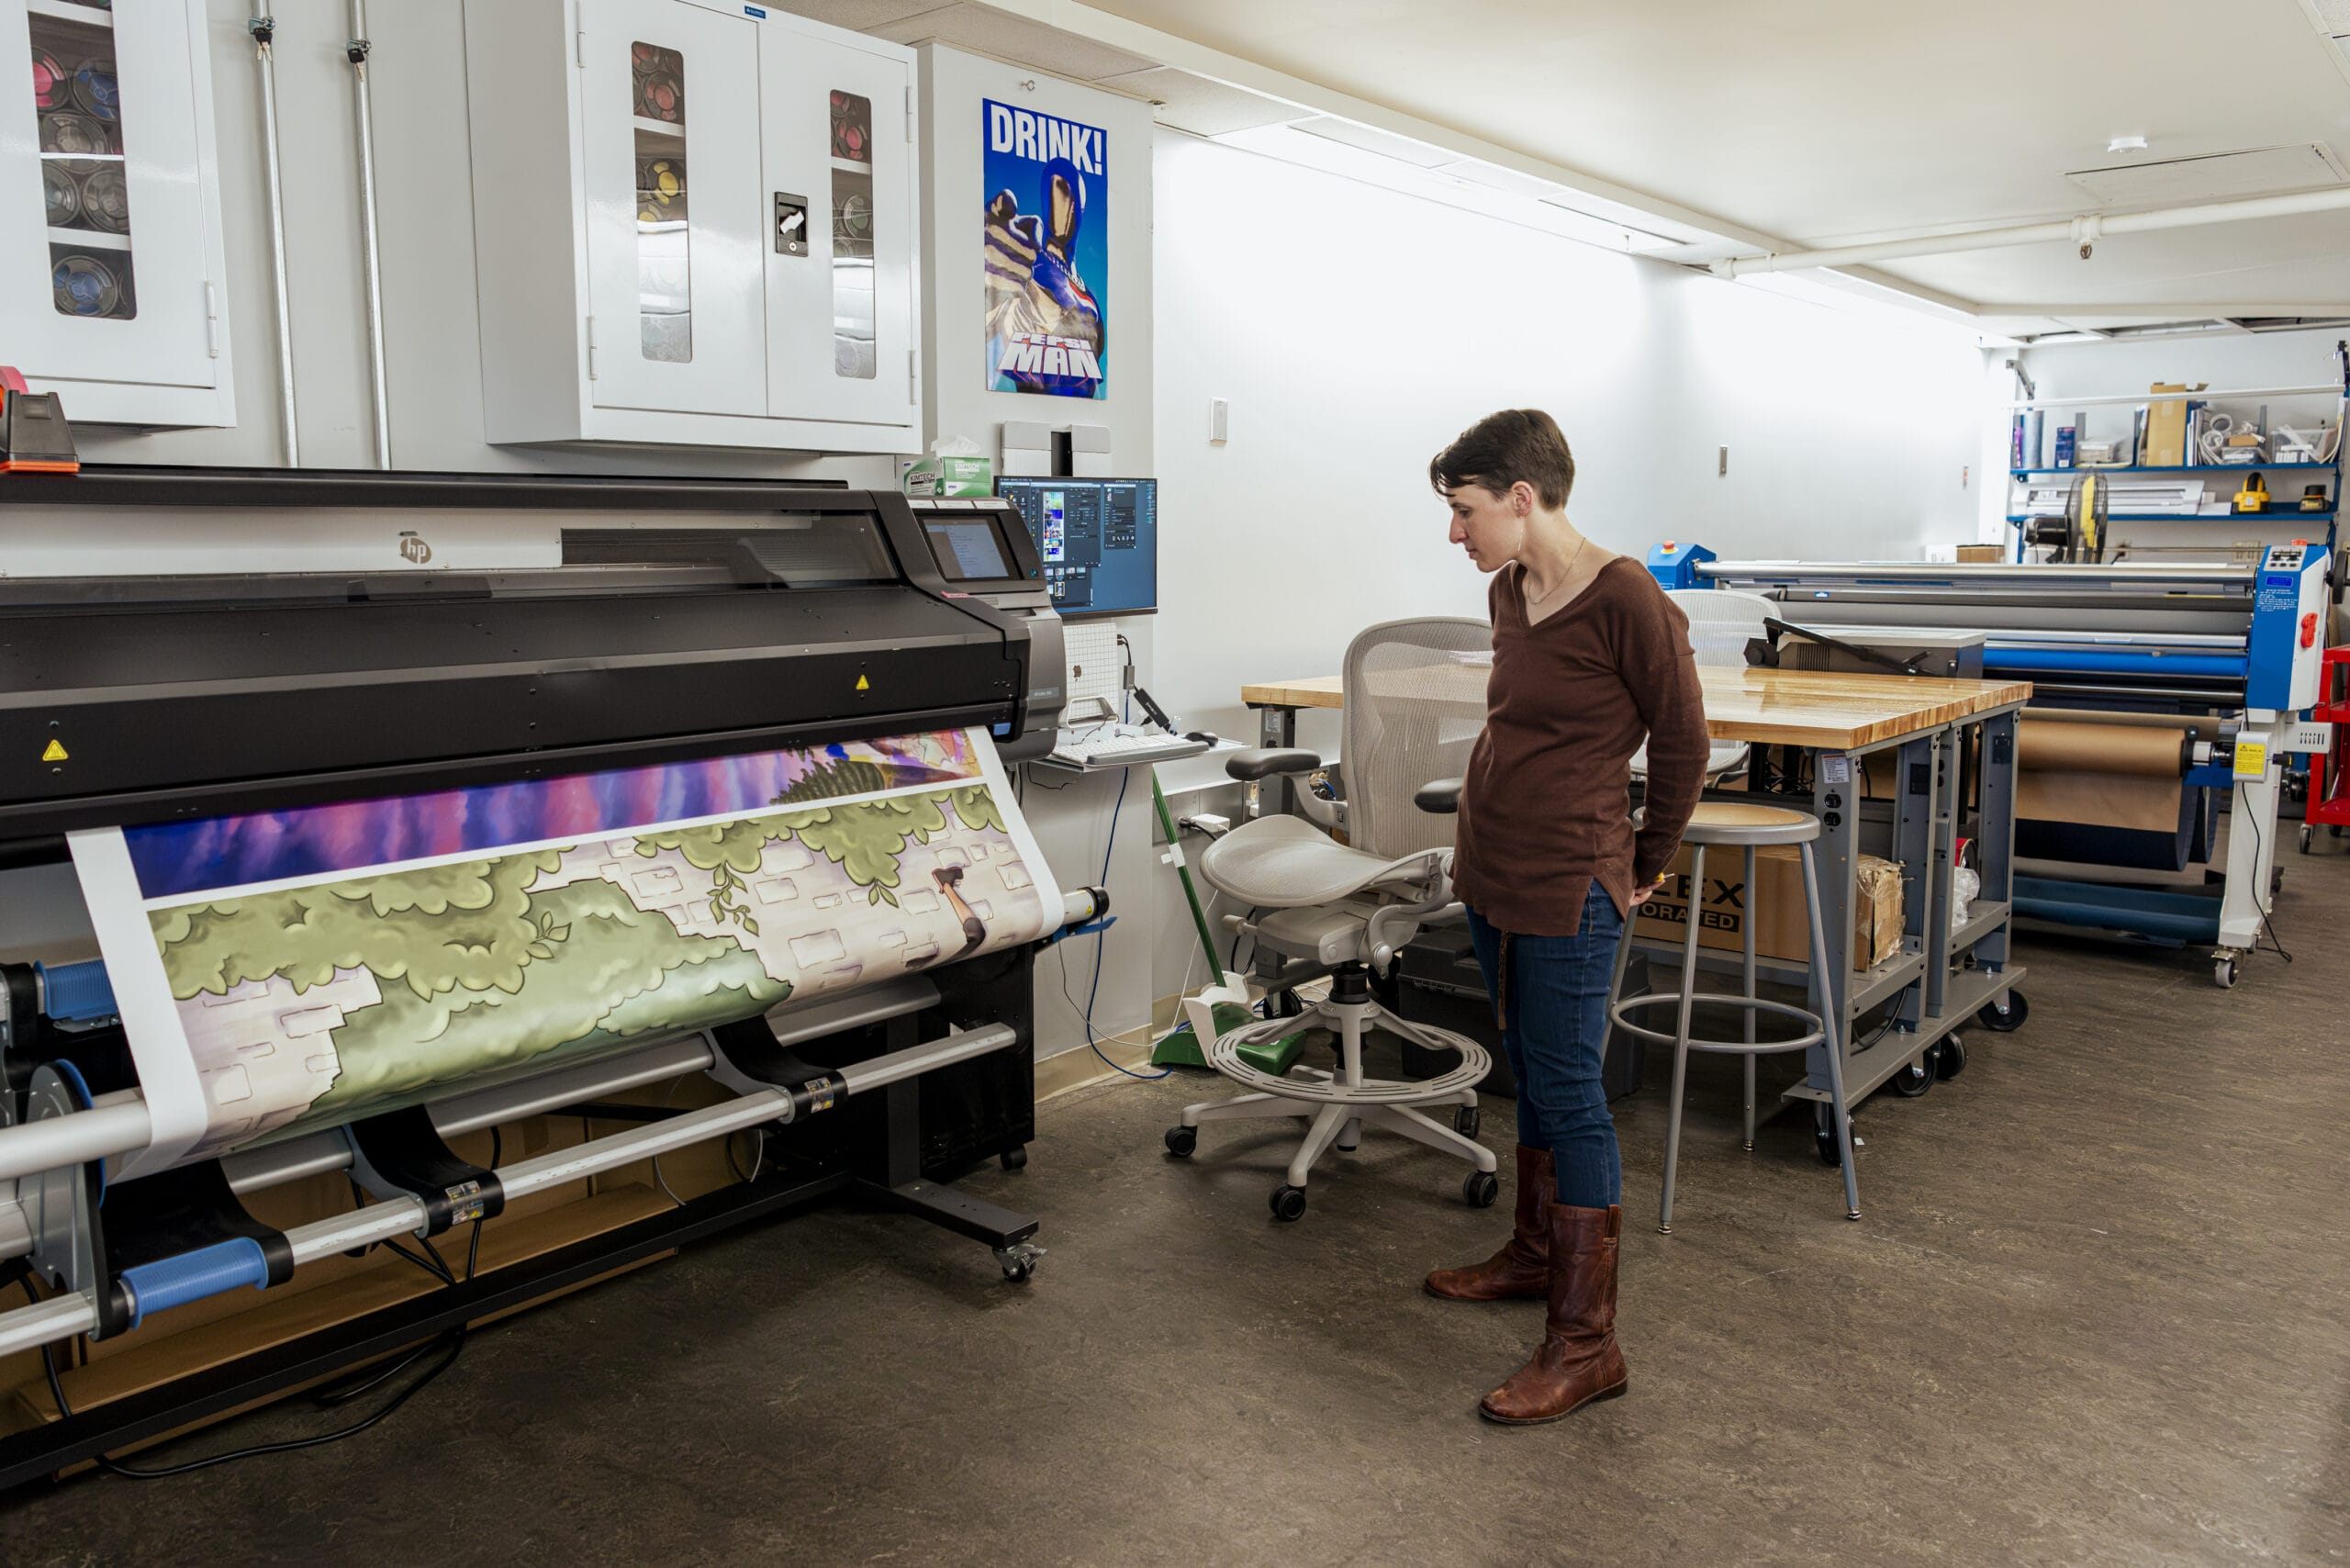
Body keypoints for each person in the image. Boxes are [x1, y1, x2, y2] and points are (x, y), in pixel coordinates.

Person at [1420, 409, 1708, 1425]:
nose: (1456, 533)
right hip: (1493, 867)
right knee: (1531, 1064)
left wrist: (1643, 862)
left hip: (1570, 879)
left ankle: (1587, 1344)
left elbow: (1682, 742)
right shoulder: (1511, 591)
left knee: (1572, 1090)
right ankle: (1537, 1254)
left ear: (1521, 498)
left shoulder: (1627, 597)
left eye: (1464, 512)